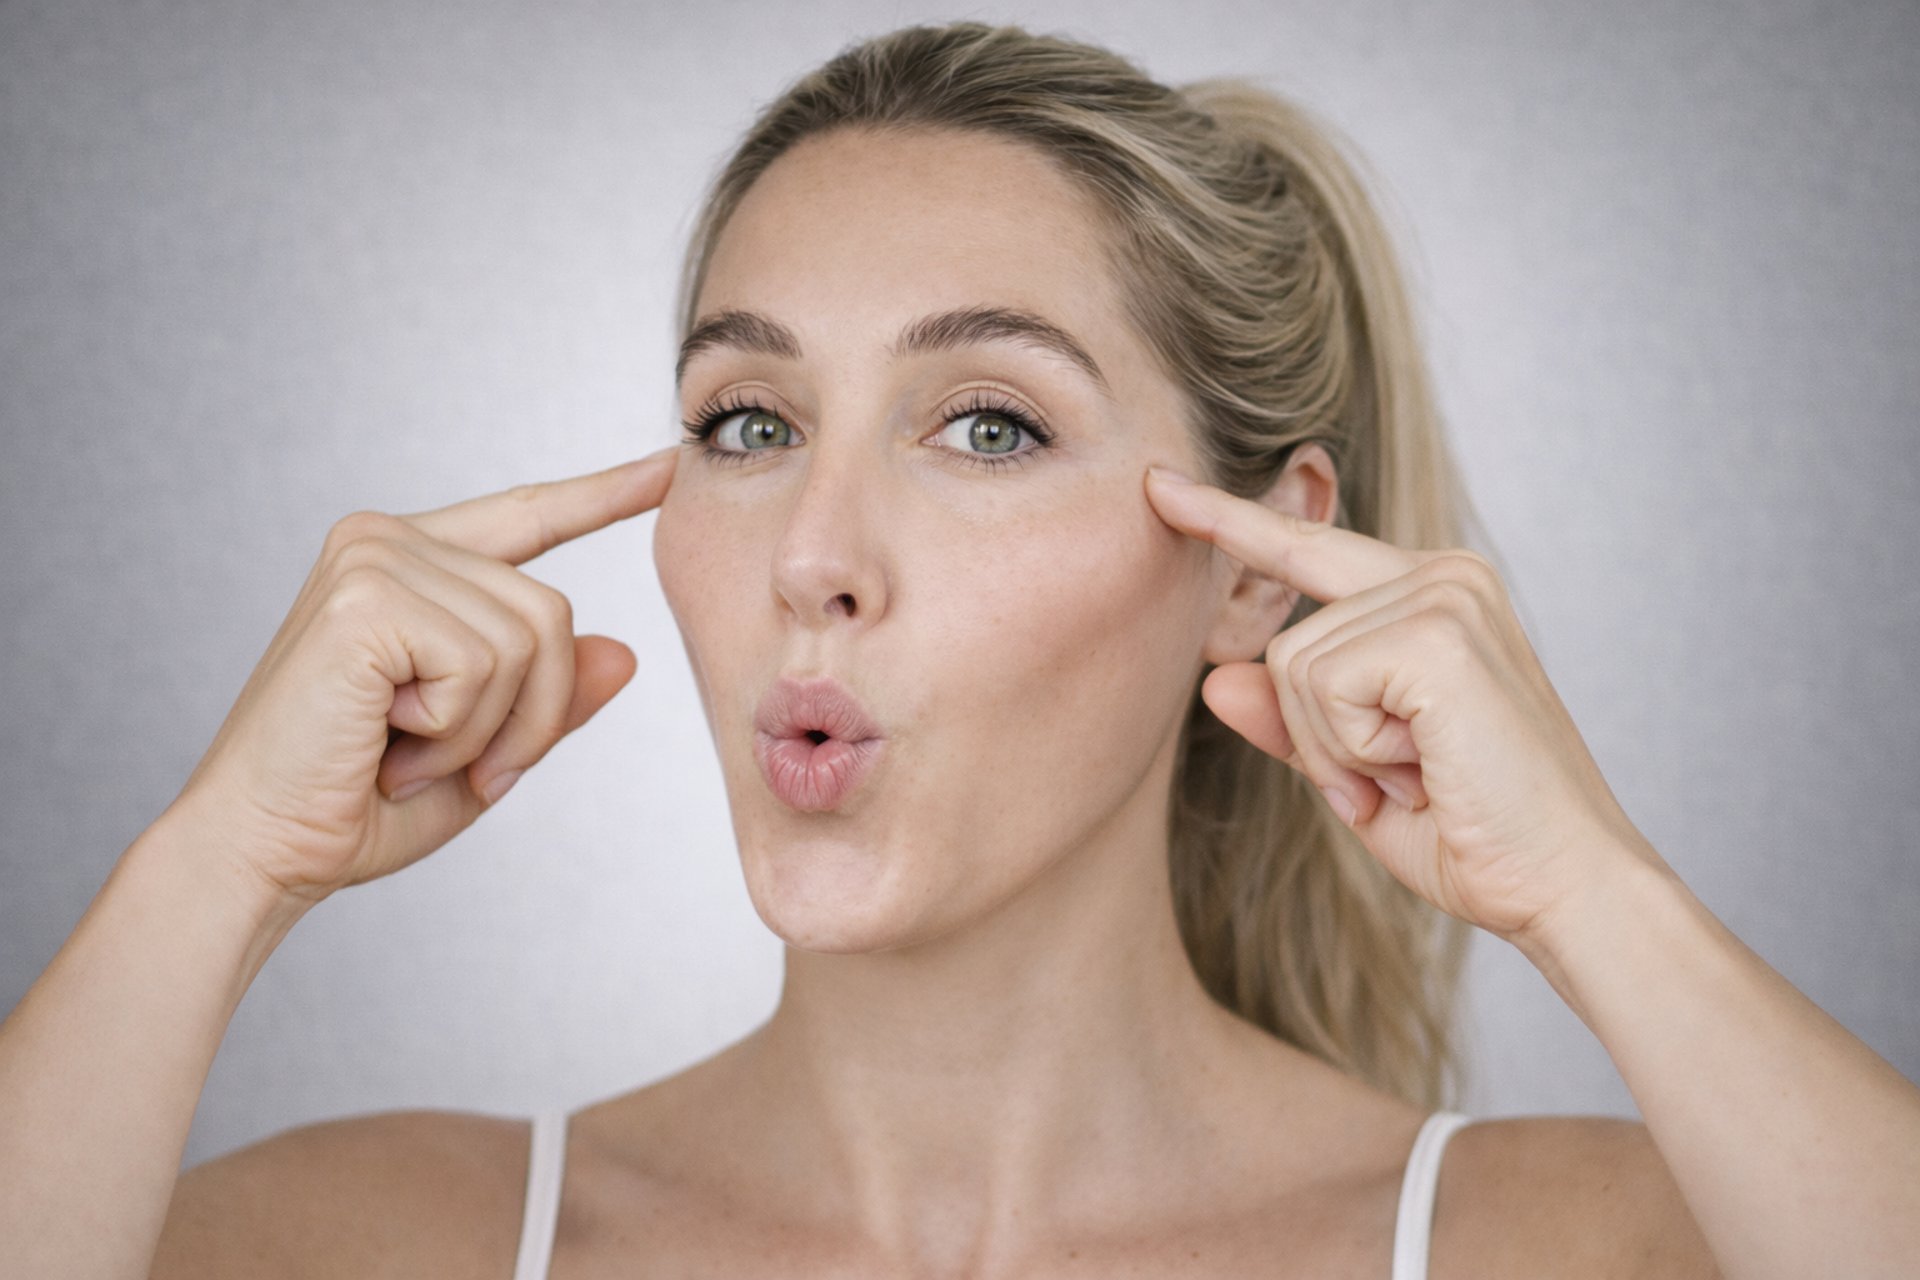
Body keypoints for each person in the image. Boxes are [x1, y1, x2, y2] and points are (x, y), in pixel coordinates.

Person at [3, 19, 1916, 1279]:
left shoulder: (1575, 1252)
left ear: (1265, 567)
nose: (812, 559)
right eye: (748, 425)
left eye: (985, 426)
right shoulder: (365, 1243)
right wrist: (209, 874)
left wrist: (1594, 891)